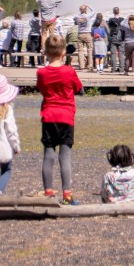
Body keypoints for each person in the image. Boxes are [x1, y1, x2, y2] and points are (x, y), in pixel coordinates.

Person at [36, 33, 83, 204]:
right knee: (65, 156)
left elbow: (41, 89)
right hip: (66, 116)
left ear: (46, 53)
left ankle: (48, 193)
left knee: (48, 155)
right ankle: (67, 195)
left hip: (48, 115)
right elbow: (78, 88)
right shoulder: (69, 71)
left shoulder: (41, 72)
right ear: (64, 52)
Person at [74, 4, 94, 72]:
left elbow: (75, 18)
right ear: (85, 10)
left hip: (80, 34)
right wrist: (88, 6)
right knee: (90, 50)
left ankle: (81, 66)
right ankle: (90, 65)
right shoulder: (88, 16)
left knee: (80, 51)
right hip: (87, 33)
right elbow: (94, 11)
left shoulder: (77, 17)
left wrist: (82, 10)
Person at [107, 8, 126, 74]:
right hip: (121, 38)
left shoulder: (110, 20)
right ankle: (121, 68)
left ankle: (113, 68)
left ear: (113, 12)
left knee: (113, 54)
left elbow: (109, 29)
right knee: (121, 54)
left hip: (113, 38)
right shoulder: (122, 19)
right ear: (119, 12)